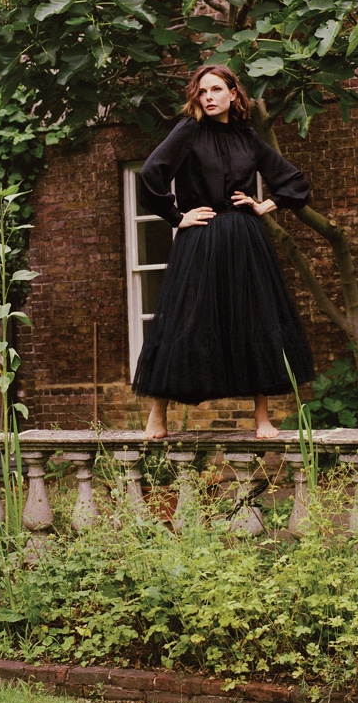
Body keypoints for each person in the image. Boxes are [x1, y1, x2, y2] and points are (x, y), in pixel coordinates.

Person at [132, 64, 314, 439]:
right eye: (202, 91)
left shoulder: (247, 137)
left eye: (216, 89)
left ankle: (262, 417)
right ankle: (157, 414)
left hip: (245, 238)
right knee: (184, 320)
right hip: (200, 237)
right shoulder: (188, 132)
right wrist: (176, 216)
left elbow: (292, 179)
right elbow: (151, 174)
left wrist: (266, 204)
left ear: (234, 94)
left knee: (257, 320)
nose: (209, 97)